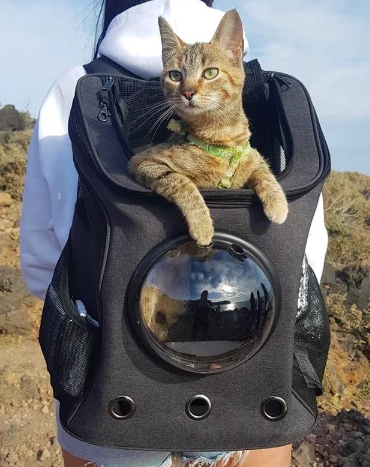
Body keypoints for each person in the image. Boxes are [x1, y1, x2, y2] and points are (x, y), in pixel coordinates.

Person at [20, 0, 328, 466]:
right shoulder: (270, 96)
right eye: (176, 76)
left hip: (111, 385)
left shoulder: (74, 87)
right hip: (246, 383)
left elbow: (41, 261)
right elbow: (307, 254)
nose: (186, 87)